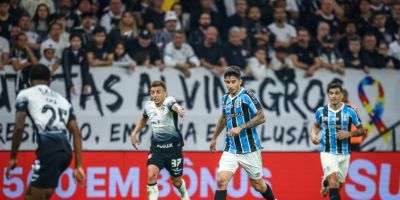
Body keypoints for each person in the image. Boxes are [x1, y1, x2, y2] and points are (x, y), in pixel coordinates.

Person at [5, 64, 85, 200]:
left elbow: (19, 128)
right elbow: (76, 133)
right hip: (65, 152)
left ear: (29, 81)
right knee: (35, 194)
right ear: (50, 81)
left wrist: (13, 157)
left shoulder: (25, 94)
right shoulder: (63, 100)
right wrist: (78, 165)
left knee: (33, 197)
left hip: (49, 151)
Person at [209, 66, 276, 200]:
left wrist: (241, 127)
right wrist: (214, 138)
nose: (230, 85)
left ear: (240, 81)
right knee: (221, 181)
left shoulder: (247, 96)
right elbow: (223, 118)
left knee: (258, 186)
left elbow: (261, 116)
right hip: (231, 148)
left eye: (233, 81)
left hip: (249, 148)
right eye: (227, 82)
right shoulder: (225, 99)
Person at [130, 80, 190, 200]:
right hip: (157, 149)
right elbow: (143, 119)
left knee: (176, 181)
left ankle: (184, 195)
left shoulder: (169, 101)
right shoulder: (148, 106)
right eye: (152, 92)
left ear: (165, 93)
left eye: (158, 92)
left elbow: (173, 105)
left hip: (174, 149)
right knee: (151, 175)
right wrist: (134, 133)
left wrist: (178, 110)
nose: (155, 95)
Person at [310, 83, 364, 200]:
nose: (334, 96)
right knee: (334, 183)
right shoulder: (321, 111)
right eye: (331, 93)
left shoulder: (350, 111)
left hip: (345, 152)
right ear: (328, 95)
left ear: (341, 95)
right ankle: (328, 181)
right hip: (328, 152)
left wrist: (349, 133)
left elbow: (361, 130)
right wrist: (313, 134)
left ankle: (325, 181)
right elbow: (316, 125)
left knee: (338, 185)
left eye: (337, 93)